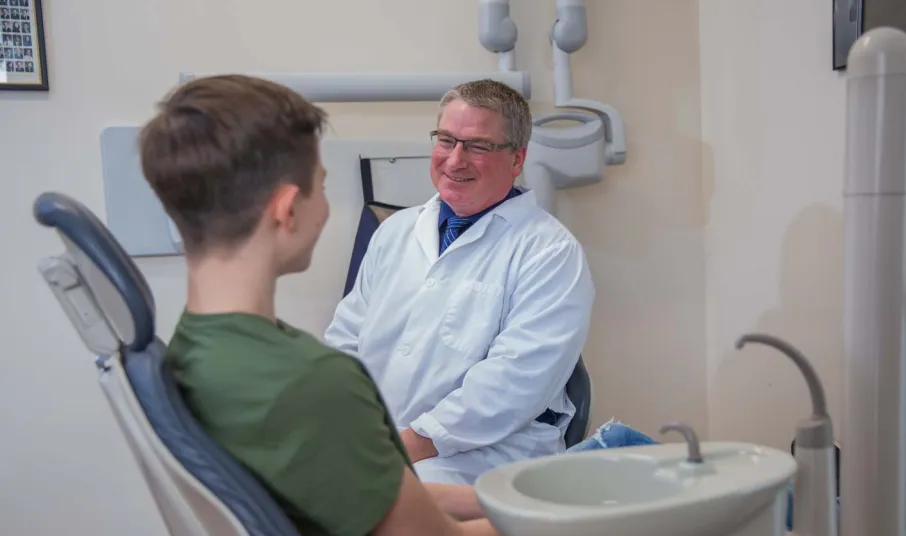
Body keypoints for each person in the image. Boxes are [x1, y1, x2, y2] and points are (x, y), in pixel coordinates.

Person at [139, 74, 504, 536]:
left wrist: (509, 496)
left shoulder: (193, 351)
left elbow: (365, 488)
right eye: (322, 185)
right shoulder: (312, 385)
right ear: (288, 209)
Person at [324, 79, 595, 485]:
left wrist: (402, 448)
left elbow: (510, 386)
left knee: (385, 504)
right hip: (380, 438)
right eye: (446, 140)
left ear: (517, 159)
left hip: (485, 454)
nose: (455, 160)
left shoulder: (551, 253)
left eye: (478, 146)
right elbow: (345, 340)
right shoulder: (395, 231)